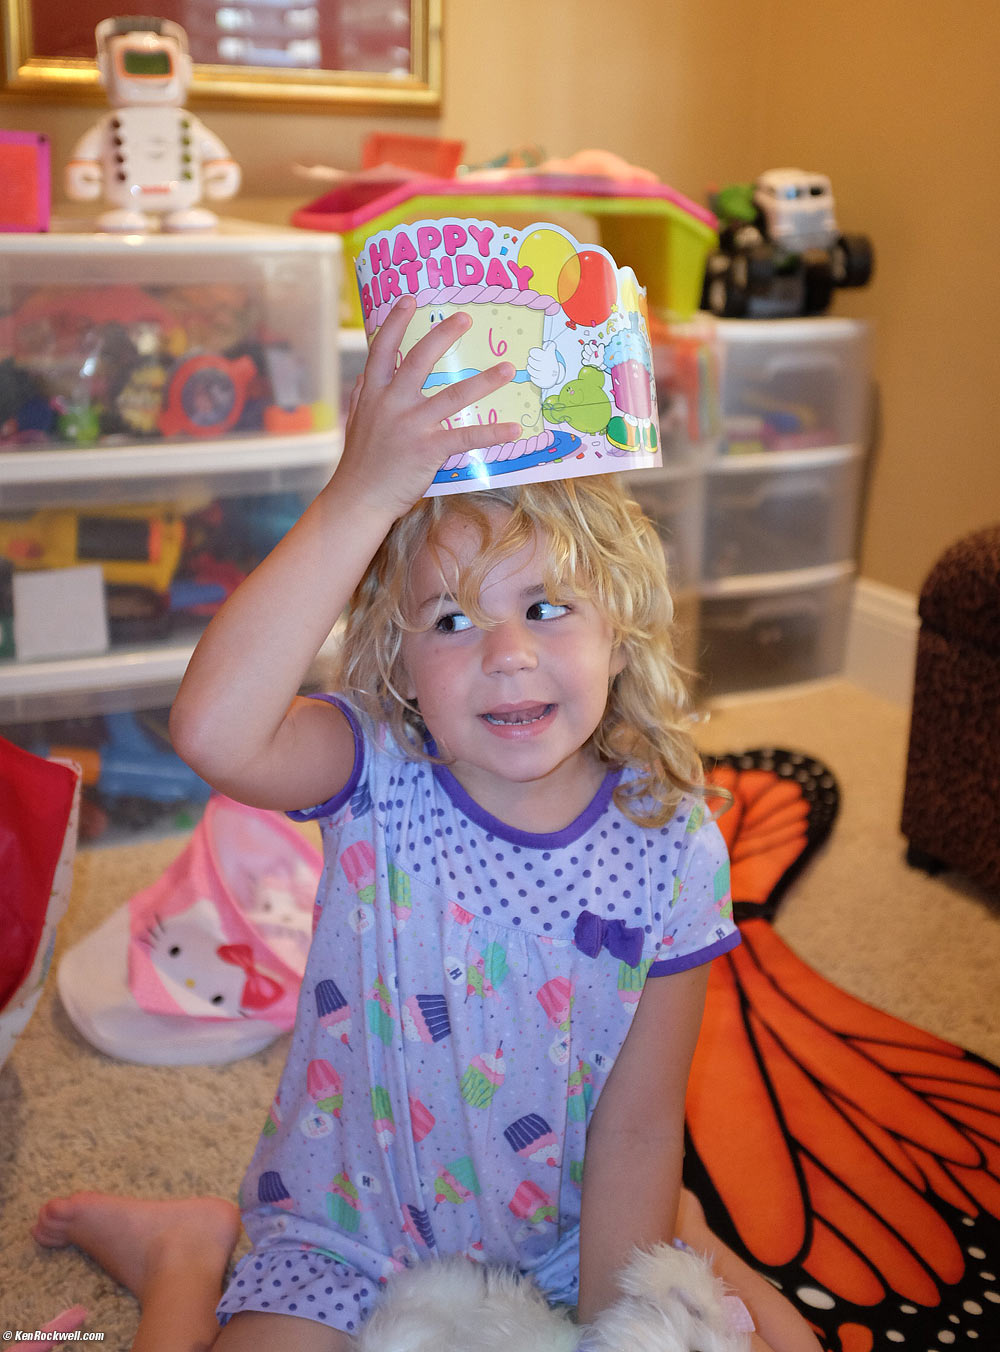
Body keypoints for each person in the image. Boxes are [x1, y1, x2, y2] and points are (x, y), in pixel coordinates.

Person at [34, 297, 821, 1352]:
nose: (503, 650)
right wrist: (361, 492)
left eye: (545, 605)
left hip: (567, 1231)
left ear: (622, 632)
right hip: (346, 1229)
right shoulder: (377, 763)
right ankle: (188, 1253)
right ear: (399, 662)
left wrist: (606, 1325)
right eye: (451, 618)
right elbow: (215, 731)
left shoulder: (672, 841)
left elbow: (637, 1126)